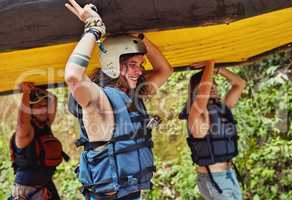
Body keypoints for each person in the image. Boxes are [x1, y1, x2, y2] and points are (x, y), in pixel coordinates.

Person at [64, 0, 173, 199]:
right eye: (133, 64)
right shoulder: (100, 100)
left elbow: (165, 70)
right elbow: (73, 76)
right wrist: (94, 28)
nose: (140, 71)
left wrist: (139, 39)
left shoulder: (134, 95)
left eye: (140, 64)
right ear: (113, 63)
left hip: (132, 194)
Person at [179, 61, 246, 200]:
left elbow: (240, 83)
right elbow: (202, 95)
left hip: (229, 174)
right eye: (209, 85)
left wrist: (217, 69)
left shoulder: (222, 107)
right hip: (213, 179)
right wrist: (210, 62)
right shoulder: (195, 115)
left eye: (214, 84)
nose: (213, 87)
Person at [9, 82, 65, 200]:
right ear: (30, 111)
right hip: (28, 190)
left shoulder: (44, 125)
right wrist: (26, 93)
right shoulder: (24, 133)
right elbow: (22, 121)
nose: (44, 109)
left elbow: (53, 99)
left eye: (45, 105)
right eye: (39, 106)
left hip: (45, 184)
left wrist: (38, 92)